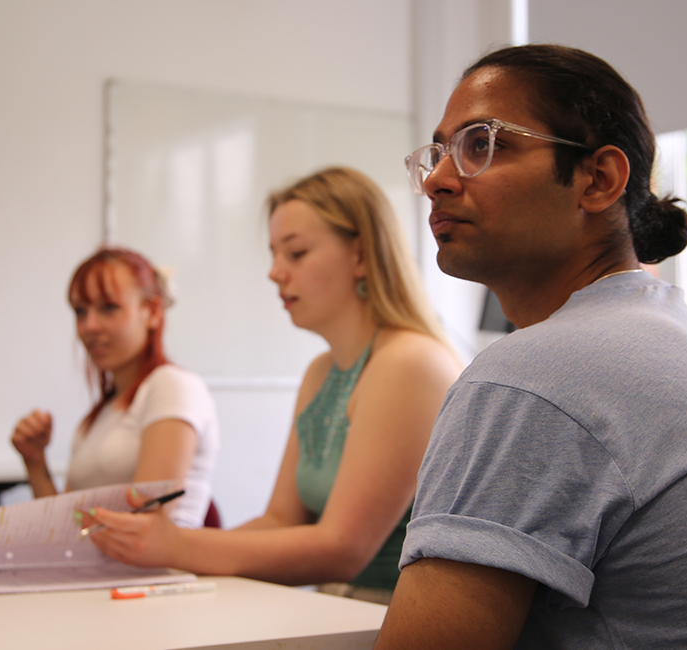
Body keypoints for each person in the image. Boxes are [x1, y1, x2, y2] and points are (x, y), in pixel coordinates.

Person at [374, 44, 687, 649]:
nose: (436, 180)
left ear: (599, 179)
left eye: (483, 144)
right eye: (438, 153)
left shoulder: (532, 378)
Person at [81, 167, 463, 603]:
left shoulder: (410, 362)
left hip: (400, 618)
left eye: (295, 253)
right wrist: (176, 559)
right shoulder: (321, 371)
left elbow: (343, 549)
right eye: (273, 254)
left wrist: (178, 546)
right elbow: (281, 519)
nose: (274, 273)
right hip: (339, 606)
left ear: (360, 255)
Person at [11, 247, 220, 529]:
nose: (89, 326)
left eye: (109, 308)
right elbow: (62, 531)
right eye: (80, 312)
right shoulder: (100, 415)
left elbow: (146, 526)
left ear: (153, 311)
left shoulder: (171, 385)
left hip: (160, 572)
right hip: (107, 569)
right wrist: (35, 462)